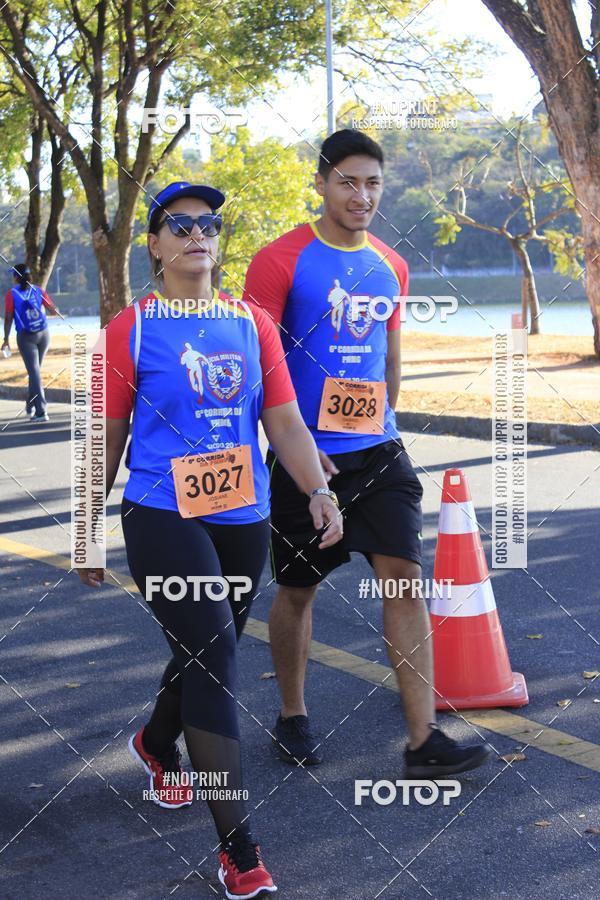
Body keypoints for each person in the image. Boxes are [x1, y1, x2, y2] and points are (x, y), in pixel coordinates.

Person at [77, 181, 343, 899]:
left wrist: (317, 491)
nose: (198, 234)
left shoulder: (251, 324)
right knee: (217, 659)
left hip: (243, 513)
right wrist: (86, 526)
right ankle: (238, 848)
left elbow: (283, 421)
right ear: (155, 245)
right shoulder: (129, 330)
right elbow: (106, 437)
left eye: (209, 225)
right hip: (163, 512)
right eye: (180, 224)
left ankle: (155, 742)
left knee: (206, 650)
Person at [243, 130, 492, 777]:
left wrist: (386, 426)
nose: (362, 195)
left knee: (404, 579)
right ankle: (293, 714)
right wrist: (289, 452)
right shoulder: (279, 260)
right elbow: (256, 365)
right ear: (321, 183)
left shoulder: (390, 264)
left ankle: (422, 740)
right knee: (297, 591)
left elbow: (390, 356)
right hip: (307, 461)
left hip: (379, 452)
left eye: (373, 183)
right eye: (348, 182)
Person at [2, 264, 60, 421]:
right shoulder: (38, 290)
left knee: (34, 372)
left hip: (26, 336)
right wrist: (54, 310)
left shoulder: (12, 293)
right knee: (34, 372)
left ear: (16, 277)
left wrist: (6, 339)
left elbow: (8, 318)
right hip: (44, 334)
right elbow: (52, 310)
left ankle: (41, 411)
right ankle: (30, 405)